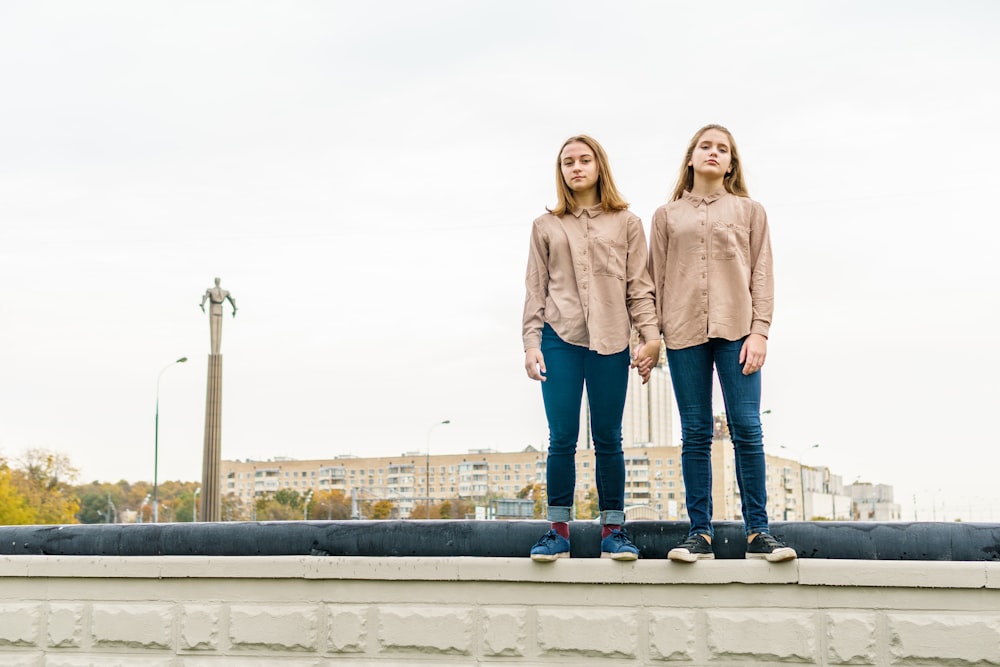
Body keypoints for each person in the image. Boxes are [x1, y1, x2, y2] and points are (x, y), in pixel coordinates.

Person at [648, 124, 796, 563]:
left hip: (738, 332)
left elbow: (762, 273)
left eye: (722, 149)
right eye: (705, 146)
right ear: (691, 157)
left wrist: (760, 330)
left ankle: (759, 532)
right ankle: (700, 534)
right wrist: (650, 337)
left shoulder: (751, 211)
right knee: (695, 433)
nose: (713, 153)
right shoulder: (666, 216)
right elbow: (653, 279)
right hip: (683, 333)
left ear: (731, 163)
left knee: (747, 428)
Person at [522, 134, 662, 562]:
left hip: (611, 341)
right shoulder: (546, 226)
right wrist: (531, 343)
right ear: (560, 171)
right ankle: (558, 531)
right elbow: (535, 288)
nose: (576, 167)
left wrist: (650, 337)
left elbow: (639, 287)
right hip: (558, 338)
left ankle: (613, 531)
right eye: (568, 162)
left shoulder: (627, 223)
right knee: (561, 438)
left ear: (599, 165)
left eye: (584, 160)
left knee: (608, 437)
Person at [200, 277, 237, 355]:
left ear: (215, 282)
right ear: (219, 282)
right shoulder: (225, 292)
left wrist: (202, 304)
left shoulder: (211, 290)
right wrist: (234, 308)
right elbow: (231, 300)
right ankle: (215, 352)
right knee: (217, 333)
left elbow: (205, 297)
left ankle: (215, 352)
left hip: (214, 309)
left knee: (216, 333)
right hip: (219, 310)